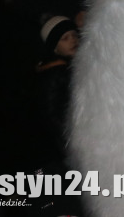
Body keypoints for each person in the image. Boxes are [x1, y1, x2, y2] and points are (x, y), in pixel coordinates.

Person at [34, 16, 80, 163]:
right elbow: (54, 113)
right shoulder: (56, 74)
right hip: (69, 142)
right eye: (65, 38)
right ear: (54, 47)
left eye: (74, 35)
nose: (73, 40)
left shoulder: (70, 68)